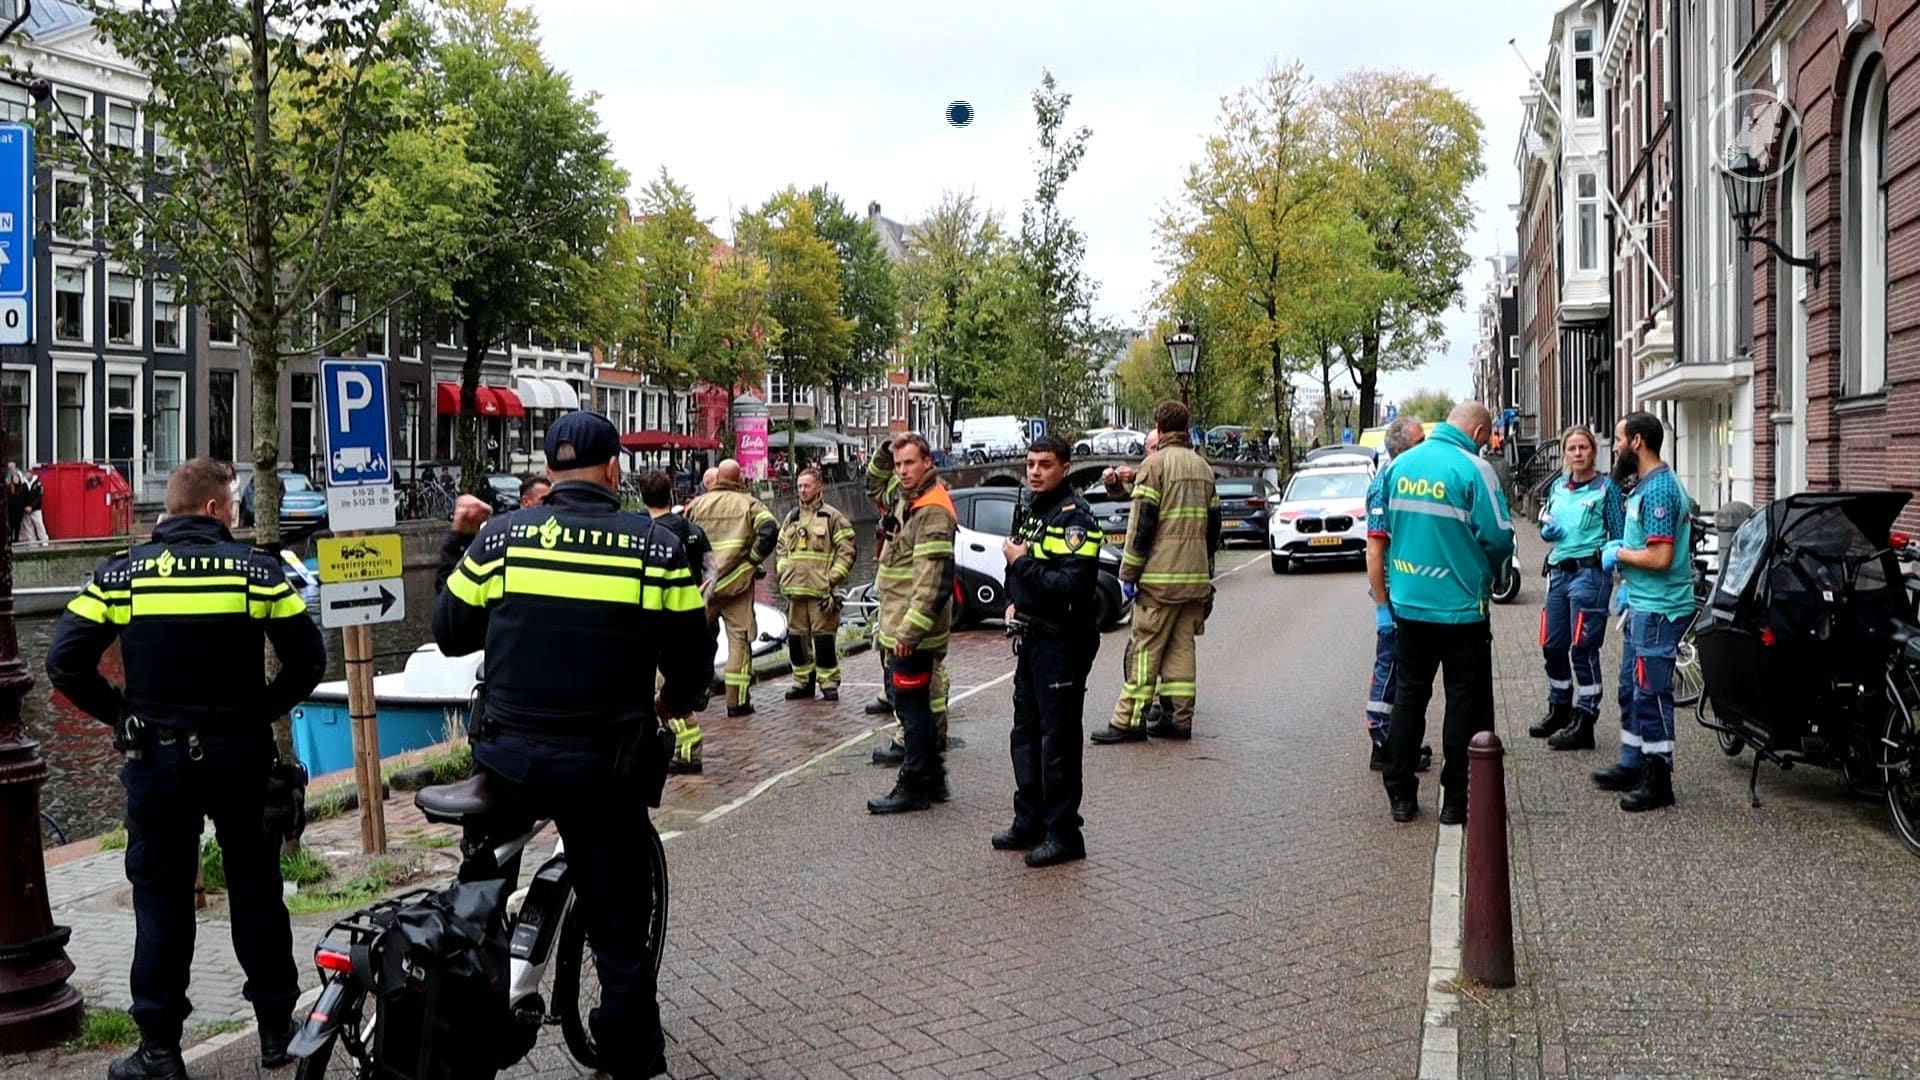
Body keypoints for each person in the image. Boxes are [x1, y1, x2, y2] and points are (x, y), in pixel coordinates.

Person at [434, 411, 707, 1079]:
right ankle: (630, 1056)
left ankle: (471, 1018)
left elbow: (450, 631)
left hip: (505, 762)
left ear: (549, 473)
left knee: (481, 894)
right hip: (601, 768)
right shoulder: (654, 546)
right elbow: (692, 660)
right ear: (614, 471)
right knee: (619, 930)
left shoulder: (500, 539)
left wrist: (459, 541)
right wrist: (675, 700)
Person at [45, 458, 326, 1079]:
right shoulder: (257, 572)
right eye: (232, 502)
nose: (236, 512)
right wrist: (260, 711)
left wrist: (122, 716)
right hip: (238, 756)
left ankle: (161, 1050)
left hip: (158, 761)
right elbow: (309, 661)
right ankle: (278, 1032)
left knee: (161, 902)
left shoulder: (122, 577)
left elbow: (65, 662)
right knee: (256, 892)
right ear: (212, 510)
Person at [1372, 401, 1514, 825]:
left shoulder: (1396, 469)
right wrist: (1485, 571)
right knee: (1461, 704)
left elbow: (1385, 531)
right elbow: (1500, 536)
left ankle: (1400, 795)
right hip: (1461, 609)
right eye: (1488, 437)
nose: (1488, 444)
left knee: (1409, 700)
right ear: (1477, 431)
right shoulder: (1474, 469)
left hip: (1410, 605)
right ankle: (1455, 801)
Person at [995, 435, 1102, 866]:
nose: (1035, 471)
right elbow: (1017, 568)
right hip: (1033, 636)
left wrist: (1022, 564)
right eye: (1030, 464)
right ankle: (1031, 820)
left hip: (1063, 639)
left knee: (1057, 740)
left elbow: (1072, 586)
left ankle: (1064, 834)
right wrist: (1011, 600)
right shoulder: (1032, 512)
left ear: (1065, 467)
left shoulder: (1076, 520)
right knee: (1025, 733)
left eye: (1045, 464)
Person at [1093, 401, 1219, 744]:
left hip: (1159, 581)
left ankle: (1128, 721)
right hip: (1194, 580)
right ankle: (1179, 720)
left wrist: (1129, 573)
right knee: (1181, 649)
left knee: (1144, 650)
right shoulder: (1204, 469)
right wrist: (1206, 568)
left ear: (1159, 429)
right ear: (1186, 427)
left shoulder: (1154, 465)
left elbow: (1143, 525)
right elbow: (1214, 528)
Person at [1591, 411, 1694, 812]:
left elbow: (1661, 556)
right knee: (1632, 690)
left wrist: (1618, 554)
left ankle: (1659, 777)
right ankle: (1632, 762)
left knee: (1651, 694)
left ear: (1636, 442)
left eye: (1618, 440)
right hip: (1643, 604)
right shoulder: (1646, 487)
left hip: (1659, 608)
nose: (1615, 448)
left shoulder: (1660, 492)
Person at [864, 433, 957, 813]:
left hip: (912, 629)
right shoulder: (908, 498)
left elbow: (932, 579)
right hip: (900, 619)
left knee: (912, 708)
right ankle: (934, 778)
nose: (901, 471)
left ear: (928, 463)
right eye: (898, 465)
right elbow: (873, 483)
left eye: (908, 463)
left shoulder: (931, 510)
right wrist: (887, 449)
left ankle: (914, 784)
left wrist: (909, 633)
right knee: (915, 704)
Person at [1528, 426, 1626, 749]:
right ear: (1566, 454)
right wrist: (1547, 532)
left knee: (1582, 649)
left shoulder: (1606, 488)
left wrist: (1620, 573)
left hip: (1589, 574)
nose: (1578, 453)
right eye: (1572, 448)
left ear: (1593, 452)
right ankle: (1560, 708)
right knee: (1552, 645)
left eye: (1583, 447)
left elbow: (1619, 533)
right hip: (1558, 572)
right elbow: (1548, 521)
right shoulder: (1557, 486)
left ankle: (1585, 720)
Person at [1363, 416, 1432, 772]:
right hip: (1392, 594)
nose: (1426, 447)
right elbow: (1375, 550)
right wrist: (1381, 606)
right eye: (1421, 441)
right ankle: (1382, 741)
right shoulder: (1385, 485)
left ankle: (1397, 741)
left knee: (1403, 669)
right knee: (1390, 666)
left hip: (1406, 590)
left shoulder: (1407, 480)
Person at [640, 469, 717, 774]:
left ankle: (687, 749)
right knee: (681, 682)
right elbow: (712, 569)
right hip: (694, 619)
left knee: (664, 690)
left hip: (662, 626)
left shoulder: (647, 536)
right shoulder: (695, 530)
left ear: (643, 498)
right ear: (671, 493)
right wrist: (702, 601)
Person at [686, 459, 777, 717]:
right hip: (738, 584)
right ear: (738, 479)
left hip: (706, 586)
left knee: (694, 640)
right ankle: (736, 703)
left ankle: (691, 694)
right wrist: (753, 561)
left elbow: (681, 536)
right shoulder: (749, 504)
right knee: (739, 641)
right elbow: (769, 530)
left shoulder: (696, 505)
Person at [776, 467, 857, 701]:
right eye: (799, 486)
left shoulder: (832, 517)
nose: (802, 490)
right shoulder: (792, 517)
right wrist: (783, 570)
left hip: (821, 593)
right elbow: (781, 548)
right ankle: (802, 683)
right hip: (794, 592)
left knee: (823, 641)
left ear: (819, 487)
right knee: (796, 641)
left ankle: (829, 683)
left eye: (807, 485)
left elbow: (847, 551)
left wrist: (832, 579)